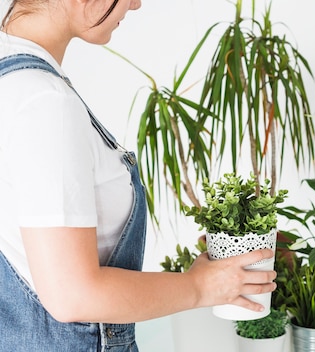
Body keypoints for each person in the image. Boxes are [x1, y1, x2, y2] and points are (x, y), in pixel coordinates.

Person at [0, 0, 277, 351]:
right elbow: (72, 294)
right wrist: (202, 287)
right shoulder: (43, 101)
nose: (135, 3)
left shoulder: (13, 80)